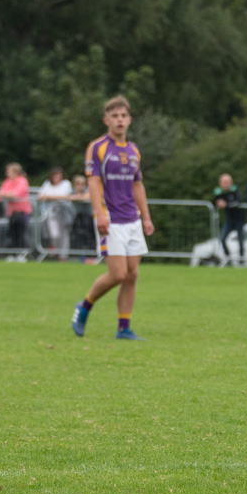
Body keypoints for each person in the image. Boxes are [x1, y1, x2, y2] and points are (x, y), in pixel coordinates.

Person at [70, 96, 155, 341]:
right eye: (114, 116)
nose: (119, 120)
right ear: (106, 120)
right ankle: (84, 306)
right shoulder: (98, 147)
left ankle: (124, 328)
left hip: (132, 220)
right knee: (117, 274)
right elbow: (93, 183)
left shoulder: (134, 149)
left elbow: (138, 185)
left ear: (129, 120)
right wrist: (99, 213)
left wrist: (146, 218)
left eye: (123, 116)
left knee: (132, 275)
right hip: (111, 220)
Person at [39, 167, 77, 261]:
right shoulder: (47, 184)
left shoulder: (65, 184)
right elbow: (40, 196)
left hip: (63, 211)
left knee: (64, 234)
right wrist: (53, 197)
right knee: (54, 234)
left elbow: (65, 196)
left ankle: (63, 255)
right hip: (51, 211)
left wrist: (49, 197)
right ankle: (57, 251)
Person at [0, 162, 31, 260]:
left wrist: (6, 194)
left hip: (23, 211)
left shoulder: (22, 181)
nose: (7, 174)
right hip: (12, 212)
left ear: (16, 172)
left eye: (9, 172)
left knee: (21, 232)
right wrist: (6, 194)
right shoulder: (7, 182)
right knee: (12, 232)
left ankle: (21, 253)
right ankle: (13, 253)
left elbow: (16, 194)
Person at [213, 173, 247, 264]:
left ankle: (241, 260)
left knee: (240, 240)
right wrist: (219, 203)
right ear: (220, 183)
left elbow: (238, 201)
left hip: (239, 219)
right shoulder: (219, 192)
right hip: (229, 219)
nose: (226, 184)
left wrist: (226, 205)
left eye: (228, 182)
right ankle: (228, 259)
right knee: (222, 239)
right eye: (224, 182)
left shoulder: (235, 190)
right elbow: (216, 202)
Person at [69, 174, 96, 257]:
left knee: (89, 237)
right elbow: (67, 197)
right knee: (77, 237)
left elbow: (87, 197)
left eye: (82, 184)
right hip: (77, 218)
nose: (80, 186)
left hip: (88, 218)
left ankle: (90, 255)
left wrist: (76, 197)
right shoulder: (72, 192)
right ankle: (78, 255)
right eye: (78, 184)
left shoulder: (88, 191)